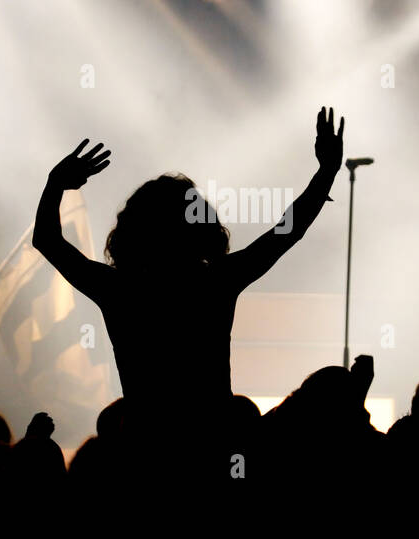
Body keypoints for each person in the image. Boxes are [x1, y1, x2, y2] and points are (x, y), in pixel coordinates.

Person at [33, 108, 344, 421]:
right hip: (213, 446)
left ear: (133, 230)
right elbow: (288, 230)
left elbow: (47, 240)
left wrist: (55, 184)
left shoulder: (119, 289)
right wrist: (326, 173)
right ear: (200, 226)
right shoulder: (217, 281)